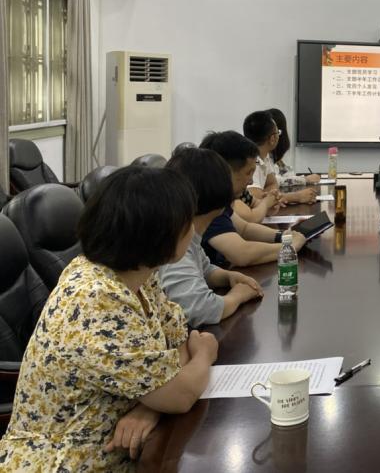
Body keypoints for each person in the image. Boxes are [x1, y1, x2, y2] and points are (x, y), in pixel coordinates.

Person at [0, 167, 220, 470]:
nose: (193, 229)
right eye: (186, 222)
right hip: (62, 463)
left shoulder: (138, 275)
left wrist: (149, 407)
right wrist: (205, 353)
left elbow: (177, 345)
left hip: (119, 449)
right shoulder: (96, 300)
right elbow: (181, 393)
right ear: (159, 234)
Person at [159, 147, 264, 327]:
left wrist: (227, 276)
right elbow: (200, 310)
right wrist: (238, 296)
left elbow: (204, 268)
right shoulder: (175, 245)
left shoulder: (189, 234)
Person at [200, 131, 310, 267]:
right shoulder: (206, 206)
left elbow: (245, 229)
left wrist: (284, 236)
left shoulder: (219, 201)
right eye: (248, 173)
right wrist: (290, 247)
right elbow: (242, 254)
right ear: (224, 172)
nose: (251, 181)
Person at [243, 110, 317, 205]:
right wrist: (296, 197)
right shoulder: (251, 161)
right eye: (278, 132)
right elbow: (255, 198)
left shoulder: (265, 156)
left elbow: (272, 185)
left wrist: (269, 198)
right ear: (272, 139)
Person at [268, 107, 320, 186]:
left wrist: (304, 179)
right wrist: (305, 179)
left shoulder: (273, 156)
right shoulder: (261, 156)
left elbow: (286, 175)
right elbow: (275, 181)